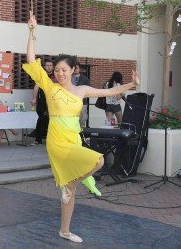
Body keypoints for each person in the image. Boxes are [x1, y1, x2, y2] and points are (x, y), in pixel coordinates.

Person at [23, 13, 140, 243]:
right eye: (56, 70)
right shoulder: (48, 85)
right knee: (99, 161)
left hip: (73, 139)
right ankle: (70, 185)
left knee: (70, 190)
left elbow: (108, 93)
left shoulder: (82, 90)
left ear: (73, 70)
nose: (59, 73)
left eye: (64, 70)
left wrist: (132, 84)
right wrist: (32, 32)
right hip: (56, 141)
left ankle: (64, 230)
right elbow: (30, 59)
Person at [30, 59, 56, 145]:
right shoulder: (41, 75)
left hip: (54, 101)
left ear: (53, 67)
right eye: (47, 65)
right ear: (44, 67)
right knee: (41, 119)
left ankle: (52, 140)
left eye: (50, 65)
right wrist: (34, 98)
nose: (49, 67)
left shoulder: (56, 75)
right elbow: (36, 87)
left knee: (53, 121)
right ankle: (38, 140)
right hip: (43, 101)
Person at [72, 62, 90, 127]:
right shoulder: (68, 78)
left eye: (76, 68)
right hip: (71, 102)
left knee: (82, 120)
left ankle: (82, 135)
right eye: (73, 68)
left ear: (79, 69)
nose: (75, 69)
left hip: (82, 102)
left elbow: (88, 89)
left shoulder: (84, 78)